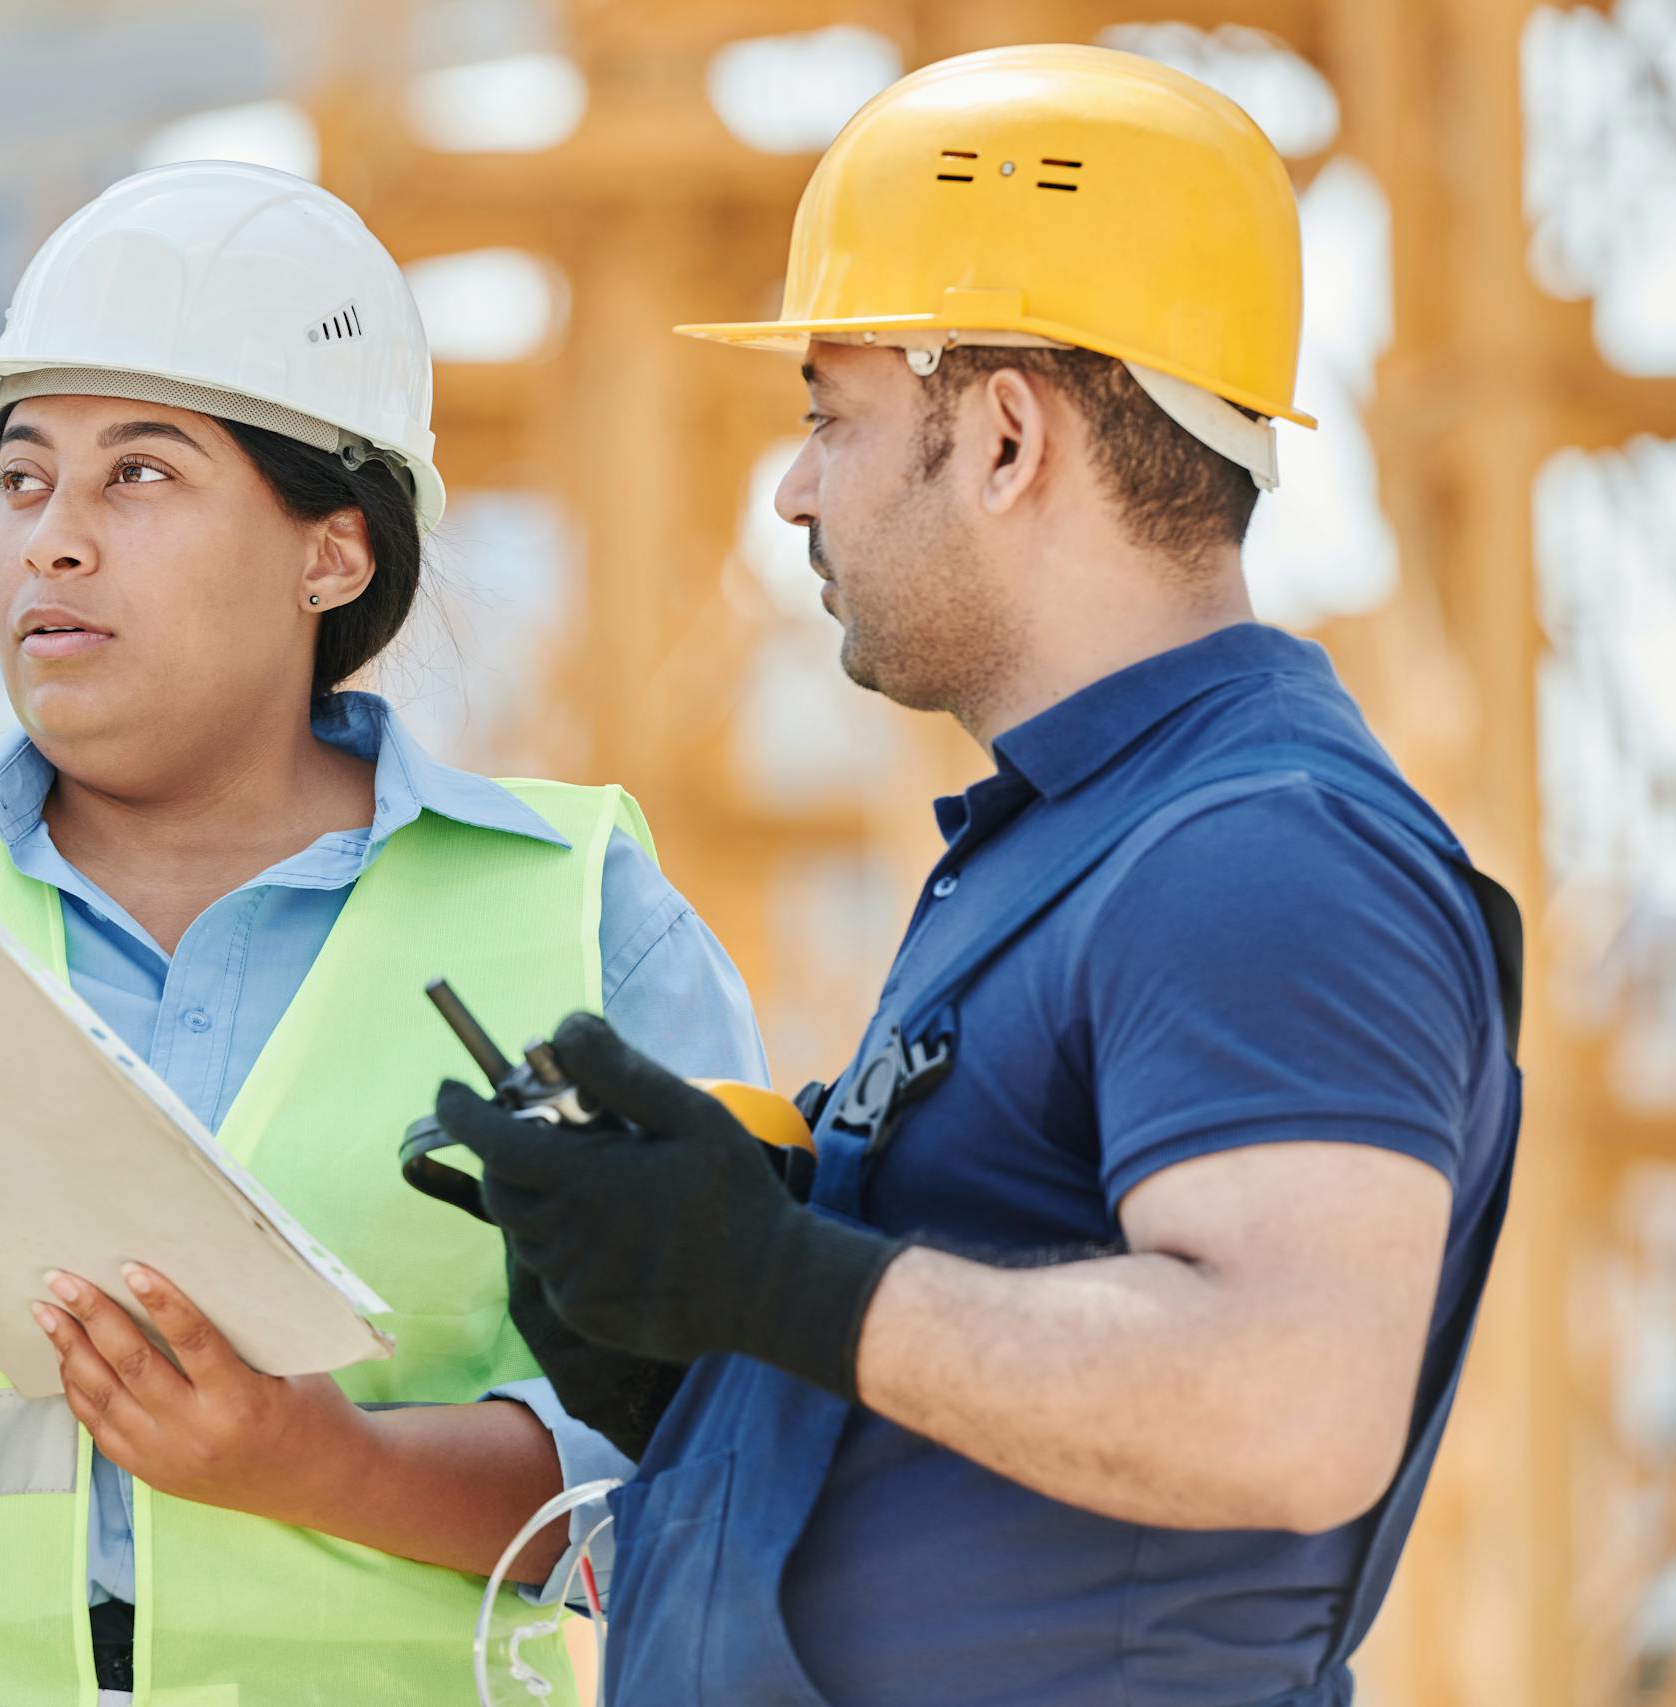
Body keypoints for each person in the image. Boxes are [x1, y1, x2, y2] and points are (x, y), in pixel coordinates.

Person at [0, 162, 765, 1706]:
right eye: (24, 479)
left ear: (334, 550)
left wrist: (327, 1467)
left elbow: (721, 1460)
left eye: (140, 477)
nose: (50, 540)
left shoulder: (583, 924)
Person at [432, 45, 1525, 1707]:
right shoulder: (1080, 843)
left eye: (832, 415)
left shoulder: (1259, 855)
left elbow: (1290, 1405)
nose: (796, 487)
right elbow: (983, 1395)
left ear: (1007, 434)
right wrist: (692, 1352)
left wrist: (774, 1277)